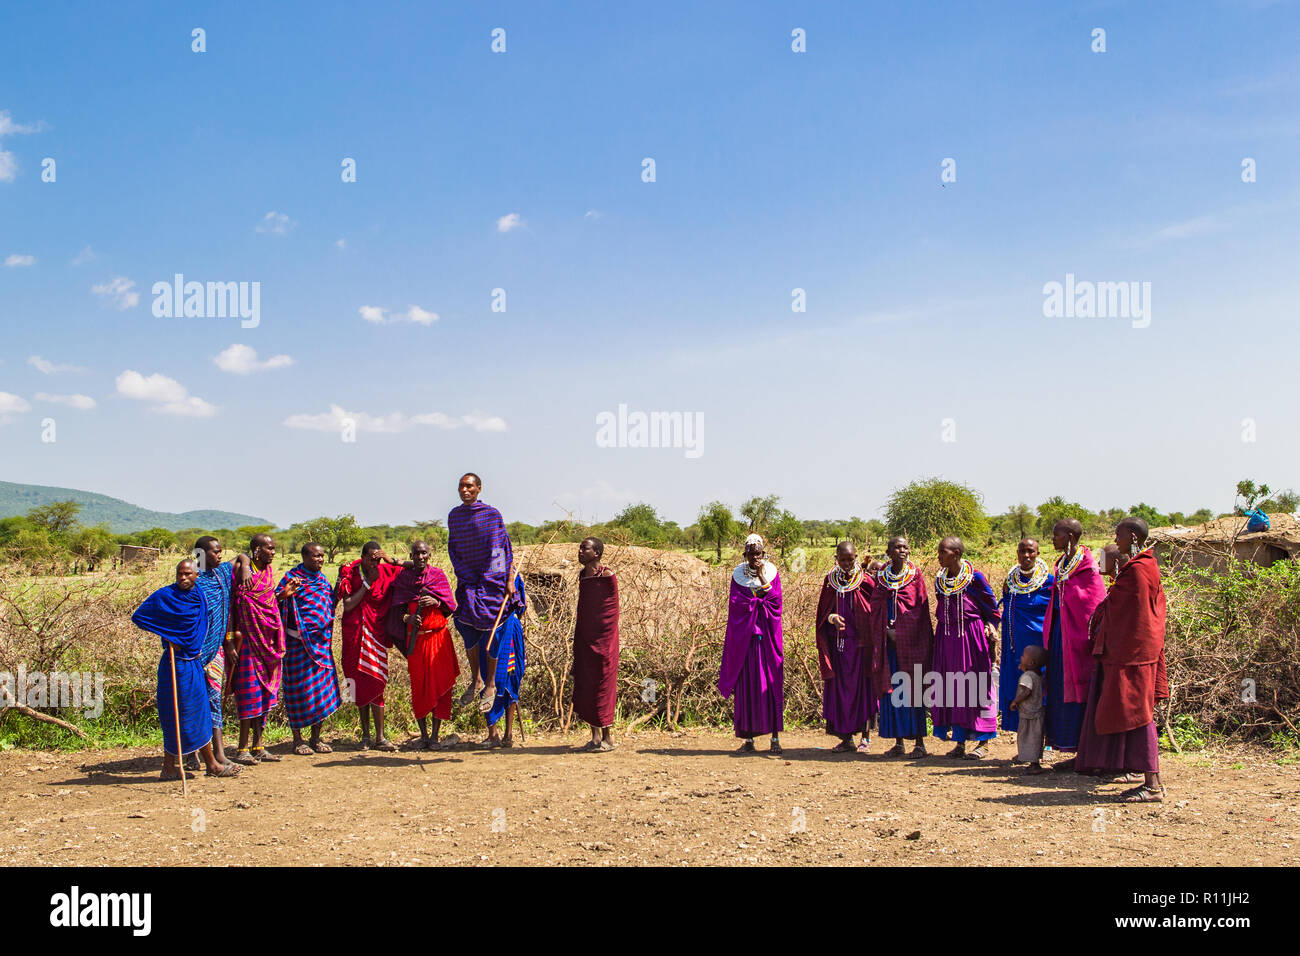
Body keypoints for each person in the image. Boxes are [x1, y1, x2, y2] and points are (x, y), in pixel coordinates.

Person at [1076, 518, 1169, 802]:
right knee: (1136, 714)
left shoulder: (1139, 571)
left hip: (1134, 657)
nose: (1116, 540)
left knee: (1139, 716)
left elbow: (1136, 619)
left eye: (1119, 535)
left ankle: (1153, 785)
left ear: (1133, 536)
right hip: (1135, 655)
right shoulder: (1142, 567)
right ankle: (1141, 775)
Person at [131, 559, 240, 778]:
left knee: (198, 712)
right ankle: (209, 765)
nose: (183, 578)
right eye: (180, 573)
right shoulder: (166, 595)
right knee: (178, 713)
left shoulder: (199, 595)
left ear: (196, 575)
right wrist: (169, 634)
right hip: (175, 663)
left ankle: (171, 766)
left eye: (188, 574)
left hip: (193, 662)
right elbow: (139, 617)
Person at [1043, 519, 1108, 771]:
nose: (1052, 540)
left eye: (1056, 535)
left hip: (1080, 639)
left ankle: (1087, 753)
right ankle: (1069, 748)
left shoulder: (1088, 566)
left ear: (1069, 536)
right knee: (1060, 688)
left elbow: (1092, 602)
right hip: (1061, 635)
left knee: (1081, 690)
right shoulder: (1061, 565)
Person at [447, 473, 515, 710]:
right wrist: (466, 576)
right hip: (468, 581)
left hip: (491, 582)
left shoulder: (491, 515)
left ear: (479, 489)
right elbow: (454, 549)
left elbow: (500, 548)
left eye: (469, 486)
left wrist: (502, 580)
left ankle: (491, 683)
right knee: (465, 625)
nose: (464, 491)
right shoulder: (454, 516)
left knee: (492, 629)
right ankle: (475, 679)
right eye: (461, 487)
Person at [930, 536, 1001, 759]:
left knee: (977, 686)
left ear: (957, 554)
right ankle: (959, 740)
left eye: (944, 552)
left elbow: (991, 608)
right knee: (953, 687)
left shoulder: (975, 578)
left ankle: (984, 742)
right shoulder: (940, 580)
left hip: (971, 638)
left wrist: (990, 626)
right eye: (939, 552)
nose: (939, 556)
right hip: (947, 638)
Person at [388, 540, 461, 751]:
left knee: (441, 687)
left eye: (423, 553)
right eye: (416, 554)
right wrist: (407, 619)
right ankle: (423, 735)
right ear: (411, 556)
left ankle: (436, 737)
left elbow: (450, 606)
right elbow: (396, 611)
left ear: (429, 555)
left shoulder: (437, 576)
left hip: (438, 639)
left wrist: (436, 603)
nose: (420, 557)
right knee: (418, 686)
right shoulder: (404, 579)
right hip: (416, 641)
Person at [335, 541, 404, 751]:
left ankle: (380, 737)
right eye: (372, 559)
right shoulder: (350, 572)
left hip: (376, 634)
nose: (375, 562)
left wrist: (392, 559)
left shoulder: (386, 570)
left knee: (376, 680)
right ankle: (365, 735)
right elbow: (347, 605)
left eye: (378, 558)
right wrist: (367, 584)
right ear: (363, 557)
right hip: (354, 635)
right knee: (356, 682)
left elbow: (413, 568)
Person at [718, 534, 784, 754]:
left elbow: (776, 603)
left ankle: (774, 739)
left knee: (770, 686)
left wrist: (761, 578)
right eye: (750, 554)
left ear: (763, 554)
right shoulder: (738, 576)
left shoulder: (772, 573)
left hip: (766, 642)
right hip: (746, 643)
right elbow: (736, 605)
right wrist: (756, 603)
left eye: (758, 554)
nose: (754, 558)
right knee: (747, 690)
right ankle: (749, 740)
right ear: (744, 555)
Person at [276, 543, 343, 755]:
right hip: (296, 645)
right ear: (304, 557)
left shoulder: (322, 580)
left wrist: (339, 586)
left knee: (320, 692)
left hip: (320, 645)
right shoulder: (291, 578)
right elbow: (273, 603)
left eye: (322, 556)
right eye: (316, 556)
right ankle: (297, 739)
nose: (320, 560)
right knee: (297, 691)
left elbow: (328, 608)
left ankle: (316, 738)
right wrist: (285, 594)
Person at [869, 536, 932, 758]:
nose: (902, 551)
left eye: (905, 547)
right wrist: (885, 631)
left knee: (913, 690)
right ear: (888, 552)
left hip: (911, 644)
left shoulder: (915, 576)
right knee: (891, 689)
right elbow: (875, 607)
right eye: (897, 547)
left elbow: (920, 611)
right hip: (888, 646)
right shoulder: (881, 577)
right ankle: (898, 742)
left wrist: (903, 632)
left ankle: (919, 743)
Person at [230, 533, 287, 765]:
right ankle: (242, 748)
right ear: (256, 549)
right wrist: (229, 640)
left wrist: (282, 596)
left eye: (274, 549)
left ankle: (258, 745)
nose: (273, 552)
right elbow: (231, 607)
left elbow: (268, 603)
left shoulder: (268, 572)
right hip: (247, 643)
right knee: (248, 694)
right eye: (269, 549)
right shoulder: (240, 569)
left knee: (265, 695)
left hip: (268, 643)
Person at [815, 541, 875, 753]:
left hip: (860, 647)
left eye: (851, 559)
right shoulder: (830, 582)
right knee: (841, 693)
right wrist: (831, 618)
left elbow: (873, 610)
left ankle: (865, 738)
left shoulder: (866, 581)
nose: (848, 564)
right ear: (836, 559)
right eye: (843, 560)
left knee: (863, 691)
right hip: (838, 648)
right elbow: (822, 612)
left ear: (856, 557)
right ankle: (846, 738)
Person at [998, 538, 1053, 735]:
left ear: (1038, 553)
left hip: (1038, 647)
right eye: (1022, 551)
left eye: (1030, 551)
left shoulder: (1048, 581)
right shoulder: (1011, 581)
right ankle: (1024, 739)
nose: (1026, 555)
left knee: (1041, 689)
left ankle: (1044, 739)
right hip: (1015, 648)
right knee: (1019, 686)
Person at [193, 535, 237, 771]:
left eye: (221, 551)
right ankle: (191, 754)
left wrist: (229, 642)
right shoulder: (192, 579)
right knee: (193, 703)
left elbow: (243, 557)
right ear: (200, 554)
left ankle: (219, 753)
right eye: (215, 552)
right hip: (194, 654)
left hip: (216, 650)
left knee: (214, 702)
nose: (220, 555)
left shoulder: (221, 575)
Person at [572, 537, 619, 752]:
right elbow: (585, 609)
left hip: (604, 642)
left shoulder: (608, 576)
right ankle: (595, 737)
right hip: (585, 640)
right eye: (580, 548)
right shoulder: (583, 576)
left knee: (603, 686)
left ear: (597, 553)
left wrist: (604, 641)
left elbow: (611, 613)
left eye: (585, 548)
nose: (580, 551)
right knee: (587, 684)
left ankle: (608, 738)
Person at [482, 573, 527, 748]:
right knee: (486, 678)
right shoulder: (481, 573)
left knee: (509, 678)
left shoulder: (513, 575)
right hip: (488, 628)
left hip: (507, 629)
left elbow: (520, 607)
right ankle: (493, 733)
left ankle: (507, 734)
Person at [1009, 645, 1049, 774]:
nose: (1021, 657)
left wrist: (1016, 701)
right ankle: (1034, 762)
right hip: (1037, 713)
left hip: (1029, 714)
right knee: (1036, 738)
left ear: (1031, 663)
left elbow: (1026, 691)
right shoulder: (1038, 675)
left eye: (1023, 656)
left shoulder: (1028, 676)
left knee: (1027, 737)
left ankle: (1032, 764)